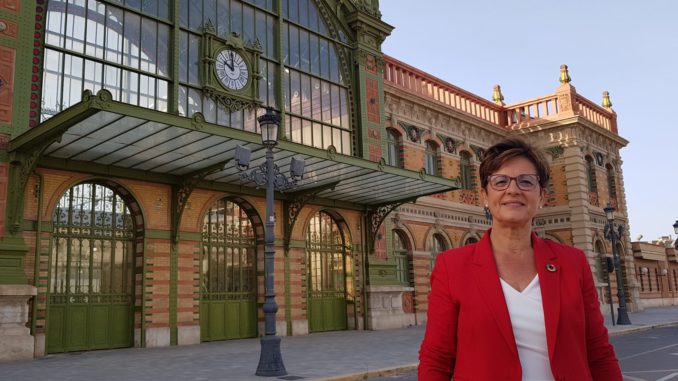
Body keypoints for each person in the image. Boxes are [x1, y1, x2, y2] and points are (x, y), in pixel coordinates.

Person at [418, 137, 622, 381]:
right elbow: (436, 360)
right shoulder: (452, 267)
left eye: (526, 181)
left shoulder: (573, 263)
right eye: (500, 181)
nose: (512, 190)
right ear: (484, 194)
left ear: (542, 196)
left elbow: (598, 353)